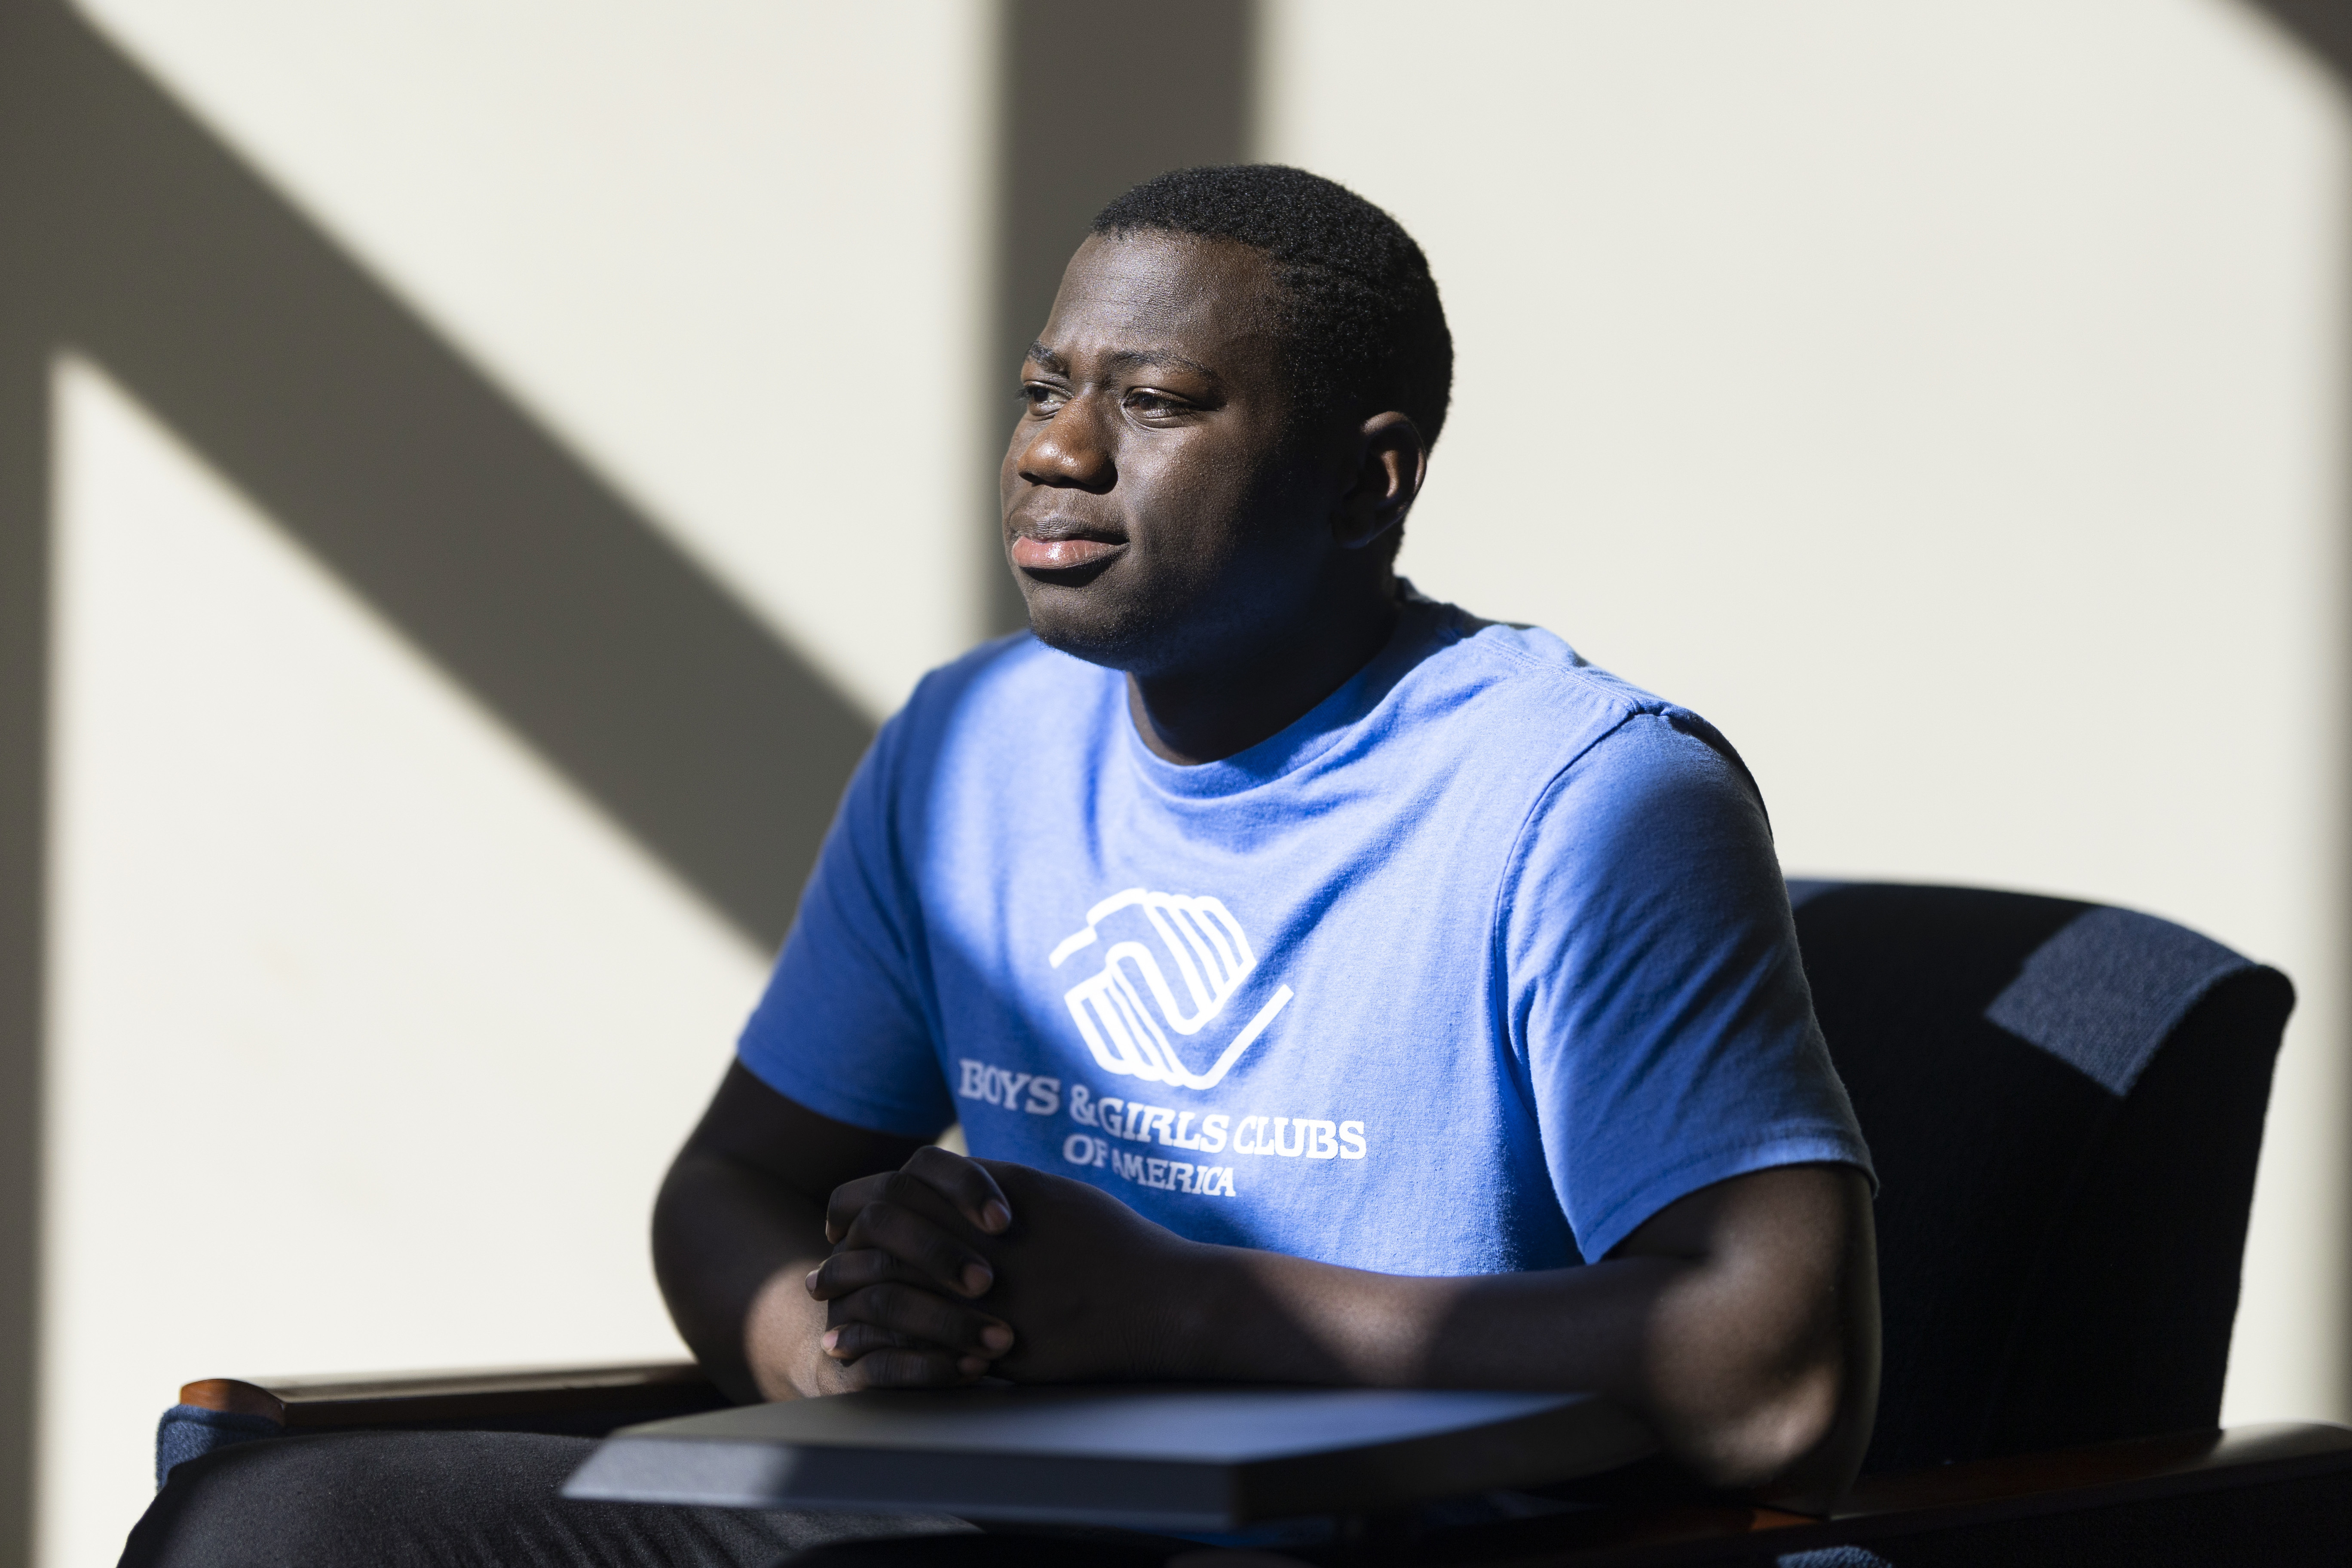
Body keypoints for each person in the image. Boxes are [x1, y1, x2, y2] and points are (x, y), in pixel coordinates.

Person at [122, 165, 1877, 1567]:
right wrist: (855, 1338)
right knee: (270, 1521)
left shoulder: (1583, 799)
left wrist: (1175, 1309)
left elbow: (1780, 1371)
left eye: (1157, 400)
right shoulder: (975, 749)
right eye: (1045, 386)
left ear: (1370, 485)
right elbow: (732, 1184)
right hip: (974, 1510)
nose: (1055, 448)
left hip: (1396, 1543)